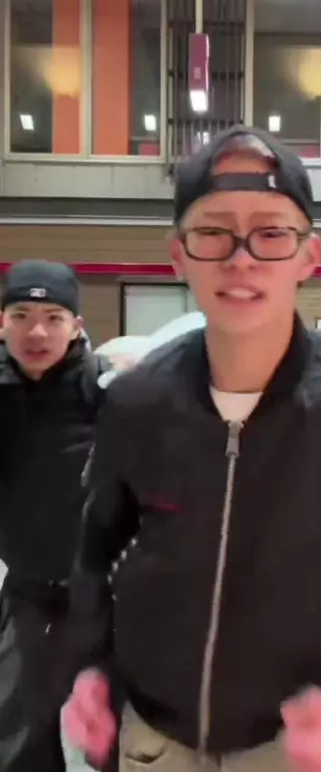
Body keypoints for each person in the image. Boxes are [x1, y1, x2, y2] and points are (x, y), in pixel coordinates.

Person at [64, 127, 321, 772]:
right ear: (178, 256)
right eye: (213, 232)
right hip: (154, 739)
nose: (241, 258)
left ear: (309, 256)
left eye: (270, 233)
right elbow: (101, 550)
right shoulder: (137, 401)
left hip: (304, 742)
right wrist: (93, 667)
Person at [0, 259, 112, 772]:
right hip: (27, 591)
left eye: (53, 317)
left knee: (116, 737)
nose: (37, 332)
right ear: (2, 323)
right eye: (21, 316)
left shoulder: (110, 394)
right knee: (18, 736)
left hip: (107, 596)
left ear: (76, 326)